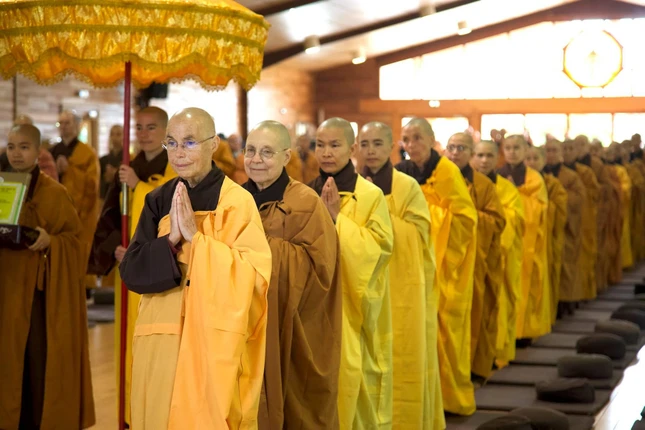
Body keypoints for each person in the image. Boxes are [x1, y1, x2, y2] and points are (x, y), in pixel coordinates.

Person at [119, 108, 272, 429]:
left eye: (189, 143)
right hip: (161, 336)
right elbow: (131, 271)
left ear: (212, 144)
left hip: (211, 337)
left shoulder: (236, 201)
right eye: (171, 143)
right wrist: (171, 240)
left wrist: (196, 240)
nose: (178, 153)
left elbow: (254, 274)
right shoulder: (158, 199)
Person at [241, 120, 341, 429]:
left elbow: (322, 270)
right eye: (250, 150)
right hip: (241, 322)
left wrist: (260, 247)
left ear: (287, 157)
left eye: (267, 152)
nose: (256, 160)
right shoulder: (234, 200)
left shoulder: (305, 203)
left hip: (289, 325)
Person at [0, 124, 95, 429]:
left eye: (24, 147)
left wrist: (51, 241)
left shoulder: (55, 193)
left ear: (38, 151)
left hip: (37, 296)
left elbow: (75, 242)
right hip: (4, 291)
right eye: (11, 146)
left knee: (35, 364)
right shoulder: (1, 187)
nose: (16, 153)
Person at [89, 106, 176, 426]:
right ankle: (128, 415)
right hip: (127, 264)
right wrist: (115, 246)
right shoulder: (129, 166)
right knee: (126, 346)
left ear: (166, 132)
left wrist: (138, 185)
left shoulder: (174, 167)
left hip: (159, 271)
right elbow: (112, 214)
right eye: (138, 127)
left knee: (153, 342)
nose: (143, 133)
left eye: (151, 127)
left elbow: (168, 211)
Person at [357, 122, 444, 429]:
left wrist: (379, 214)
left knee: (402, 353)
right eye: (364, 144)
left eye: (378, 143)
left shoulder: (407, 186)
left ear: (392, 147)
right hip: (364, 284)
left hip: (400, 286)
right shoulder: (352, 184)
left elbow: (420, 236)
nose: (371, 150)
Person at [309, 117, 394, 428]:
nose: (326, 152)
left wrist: (337, 220)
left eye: (335, 145)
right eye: (320, 145)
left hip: (353, 305)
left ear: (352, 148)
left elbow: (381, 248)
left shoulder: (370, 195)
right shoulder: (305, 193)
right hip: (315, 305)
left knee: (354, 377)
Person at [396, 118, 477, 416]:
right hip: (408, 266)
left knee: (445, 332)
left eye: (418, 138)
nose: (412, 145)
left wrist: (424, 216)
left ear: (432, 141)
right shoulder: (399, 172)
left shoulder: (447, 171)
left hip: (444, 267)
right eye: (406, 139)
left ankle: (450, 399)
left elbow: (466, 220)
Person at [445, 132, 505, 383]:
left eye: (461, 148)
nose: (455, 153)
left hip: (476, 263)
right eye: (451, 147)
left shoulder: (483, 185)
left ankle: (471, 369)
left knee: (475, 314)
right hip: (444, 261)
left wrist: (466, 217)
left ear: (470, 153)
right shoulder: (437, 179)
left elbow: (498, 221)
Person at [472, 141, 525, 368]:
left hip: (499, 257)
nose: (484, 160)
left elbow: (513, 219)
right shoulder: (463, 184)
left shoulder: (506, 188)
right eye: (479, 155)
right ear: (473, 157)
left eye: (489, 156)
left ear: (497, 159)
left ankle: (495, 352)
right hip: (470, 256)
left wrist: (480, 222)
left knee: (499, 304)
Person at [498, 135, 550, 341]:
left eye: (516, 148)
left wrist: (515, 194)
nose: (512, 152)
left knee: (528, 284)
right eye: (508, 148)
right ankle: (505, 333)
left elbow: (539, 208)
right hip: (506, 238)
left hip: (529, 240)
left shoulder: (534, 178)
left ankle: (525, 332)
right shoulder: (497, 175)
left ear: (525, 150)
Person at [50, 111, 100, 289]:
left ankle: (83, 288)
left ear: (77, 126)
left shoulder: (87, 153)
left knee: (80, 252)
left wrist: (70, 170)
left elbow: (92, 184)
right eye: (61, 123)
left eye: (67, 123)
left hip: (81, 211)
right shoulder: (52, 151)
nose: (63, 127)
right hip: (56, 210)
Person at [542, 140, 587, 314]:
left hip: (567, 227)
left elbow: (580, 197)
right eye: (547, 150)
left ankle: (566, 300)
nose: (550, 154)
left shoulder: (571, 175)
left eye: (554, 150)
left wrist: (559, 199)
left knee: (566, 266)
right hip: (546, 227)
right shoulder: (538, 174)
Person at [526, 146, 567, 323]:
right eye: (528, 159)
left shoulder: (552, 183)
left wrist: (541, 209)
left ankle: (545, 318)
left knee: (544, 278)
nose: (531, 163)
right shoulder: (517, 182)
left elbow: (560, 207)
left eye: (536, 159)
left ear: (544, 161)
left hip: (546, 237)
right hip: (525, 238)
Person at [565, 138, 599, 299]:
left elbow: (597, 192)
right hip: (566, 219)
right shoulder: (555, 173)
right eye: (565, 149)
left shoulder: (587, 171)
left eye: (572, 148)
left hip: (585, 217)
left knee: (584, 256)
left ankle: (584, 291)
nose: (568, 152)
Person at [575, 135, 609, 297]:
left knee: (591, 252)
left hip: (592, 212)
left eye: (582, 144)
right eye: (576, 145)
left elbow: (605, 188)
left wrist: (584, 191)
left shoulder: (596, 165)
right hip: (576, 215)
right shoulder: (571, 167)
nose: (579, 148)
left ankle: (593, 287)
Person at [605, 142, 634, 269]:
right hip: (607, 207)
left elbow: (626, 188)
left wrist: (614, 188)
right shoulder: (603, 169)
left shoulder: (621, 170)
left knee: (621, 235)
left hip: (619, 207)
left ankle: (623, 262)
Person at [99, 124, 124, 199]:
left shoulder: (130, 159)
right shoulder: (103, 160)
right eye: (112, 134)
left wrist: (116, 174)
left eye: (118, 134)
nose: (115, 137)